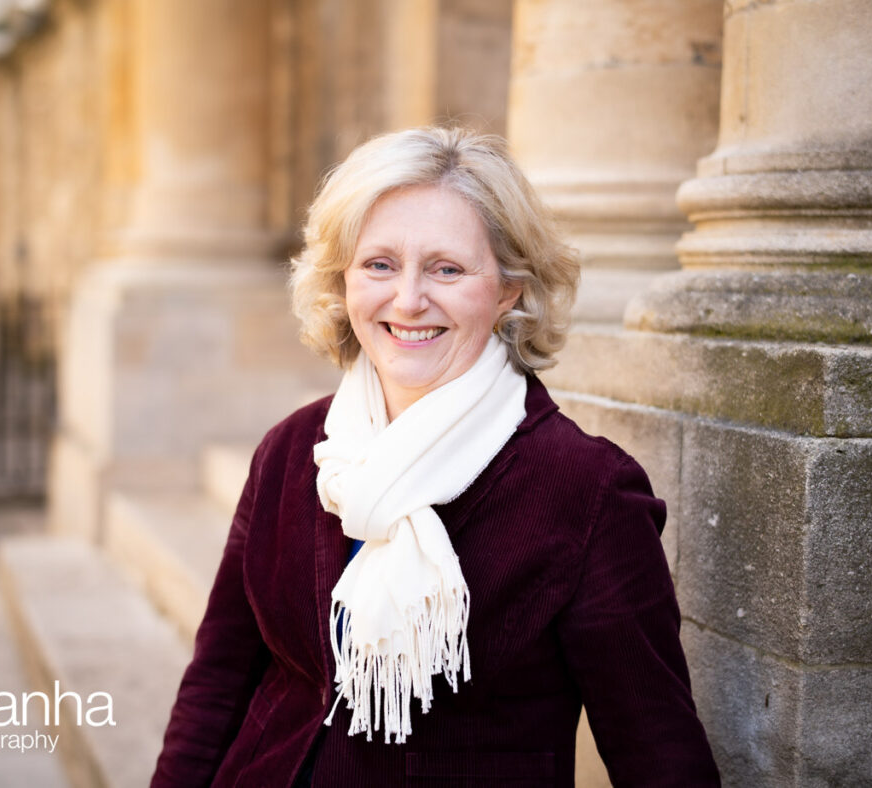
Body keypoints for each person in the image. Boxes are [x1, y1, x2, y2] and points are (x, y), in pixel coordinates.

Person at [151, 126, 720, 787]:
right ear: (342, 279)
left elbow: (658, 754)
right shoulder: (293, 450)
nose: (408, 300)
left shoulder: (587, 491)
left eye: (447, 269)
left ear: (508, 289)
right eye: (379, 264)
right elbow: (218, 683)